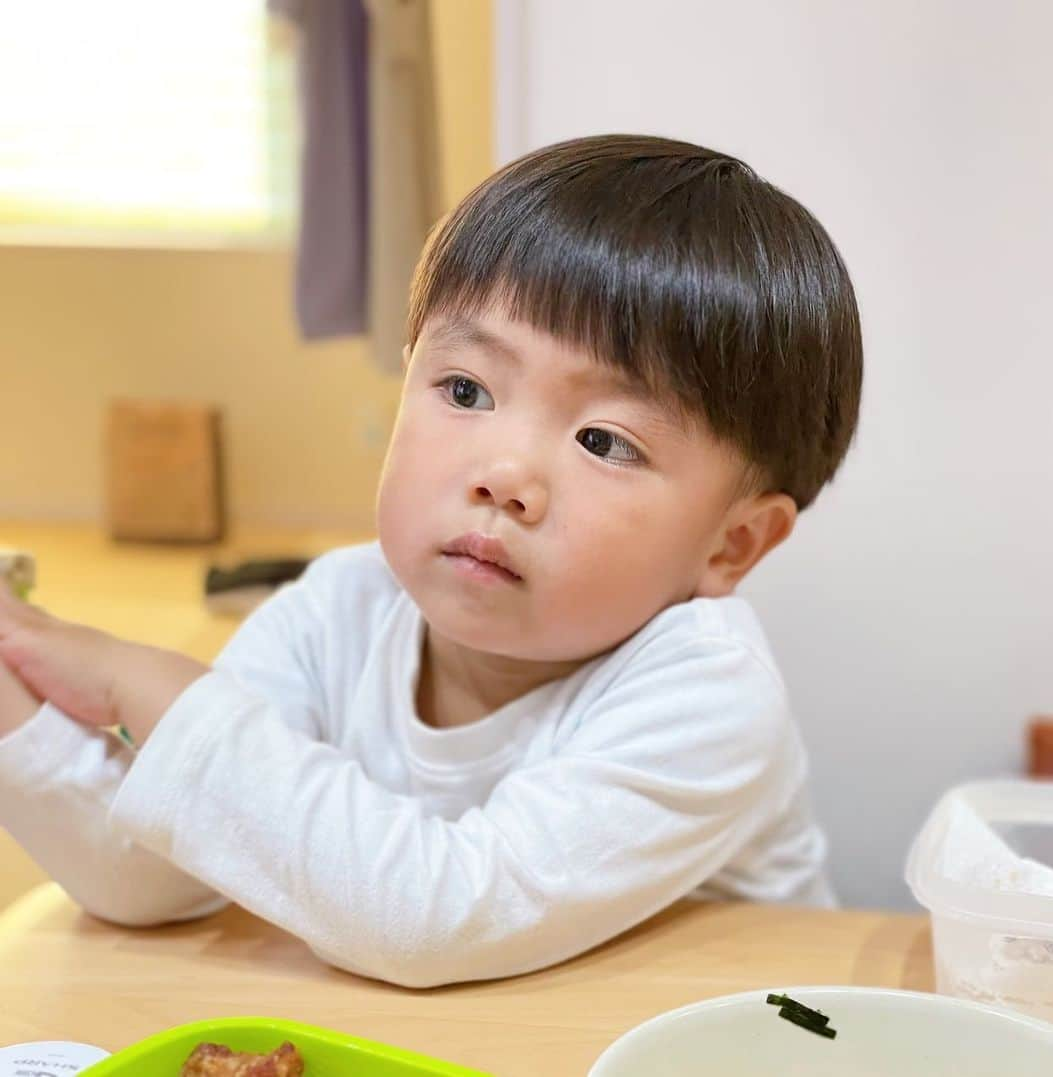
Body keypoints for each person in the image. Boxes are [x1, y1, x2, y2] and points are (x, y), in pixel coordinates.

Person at [0, 134, 862, 988]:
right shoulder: (336, 609)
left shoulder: (707, 688)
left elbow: (433, 916)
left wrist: (143, 686)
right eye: (466, 391)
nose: (505, 476)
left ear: (732, 543)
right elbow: (154, 873)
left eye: (605, 440)